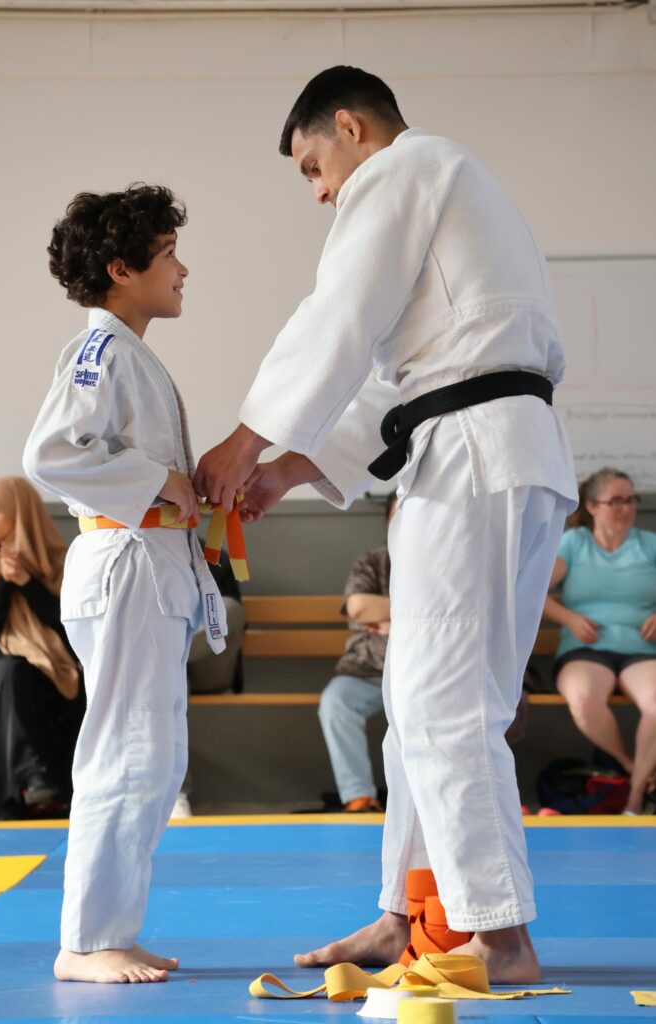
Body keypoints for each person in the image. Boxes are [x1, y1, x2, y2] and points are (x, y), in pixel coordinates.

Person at [193, 66, 578, 983]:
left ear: (350, 127)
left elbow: (339, 313)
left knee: (441, 704)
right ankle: (406, 915)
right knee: (423, 705)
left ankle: (500, 937)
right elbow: (404, 374)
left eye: (312, 166)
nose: (319, 191)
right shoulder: (453, 193)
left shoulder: (403, 169)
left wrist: (248, 440)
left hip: (475, 453)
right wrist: (288, 468)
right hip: (497, 447)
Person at [23, 184, 228, 984]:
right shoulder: (101, 351)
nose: (183, 269)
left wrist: (179, 486)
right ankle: (85, 942)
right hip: (126, 564)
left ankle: (111, 929)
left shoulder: (129, 354)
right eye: (168, 254)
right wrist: (157, 480)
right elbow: (50, 454)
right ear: (120, 269)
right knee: (124, 751)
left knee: (153, 758)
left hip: (148, 562)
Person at [543, 468, 656, 814]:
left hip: (641, 650)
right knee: (584, 699)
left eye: (631, 500)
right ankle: (631, 768)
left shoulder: (649, 545)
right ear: (592, 506)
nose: (626, 507)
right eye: (616, 501)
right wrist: (569, 618)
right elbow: (533, 592)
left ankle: (634, 798)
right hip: (585, 650)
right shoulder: (574, 543)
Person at [0, 476, 83, 819]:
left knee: (73, 682)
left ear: (20, 513)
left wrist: (28, 583)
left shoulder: (61, 563)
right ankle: (25, 786)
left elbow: (71, 630)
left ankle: (60, 791)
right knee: (9, 673)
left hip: (53, 667)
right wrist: (4, 586)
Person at [319, 494, 395, 813]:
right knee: (336, 702)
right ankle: (359, 797)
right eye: (398, 515)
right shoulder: (374, 562)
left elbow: (459, 611)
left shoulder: (446, 562)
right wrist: (419, 617)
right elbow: (360, 606)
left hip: (431, 672)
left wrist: (393, 620)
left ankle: (426, 802)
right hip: (368, 669)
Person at [171, 546, 244, 819]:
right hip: (172, 671)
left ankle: (164, 654)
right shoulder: (141, 555)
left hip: (211, 664)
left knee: (230, 608)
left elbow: (230, 625)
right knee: (172, 675)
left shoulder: (214, 554)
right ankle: (175, 793)